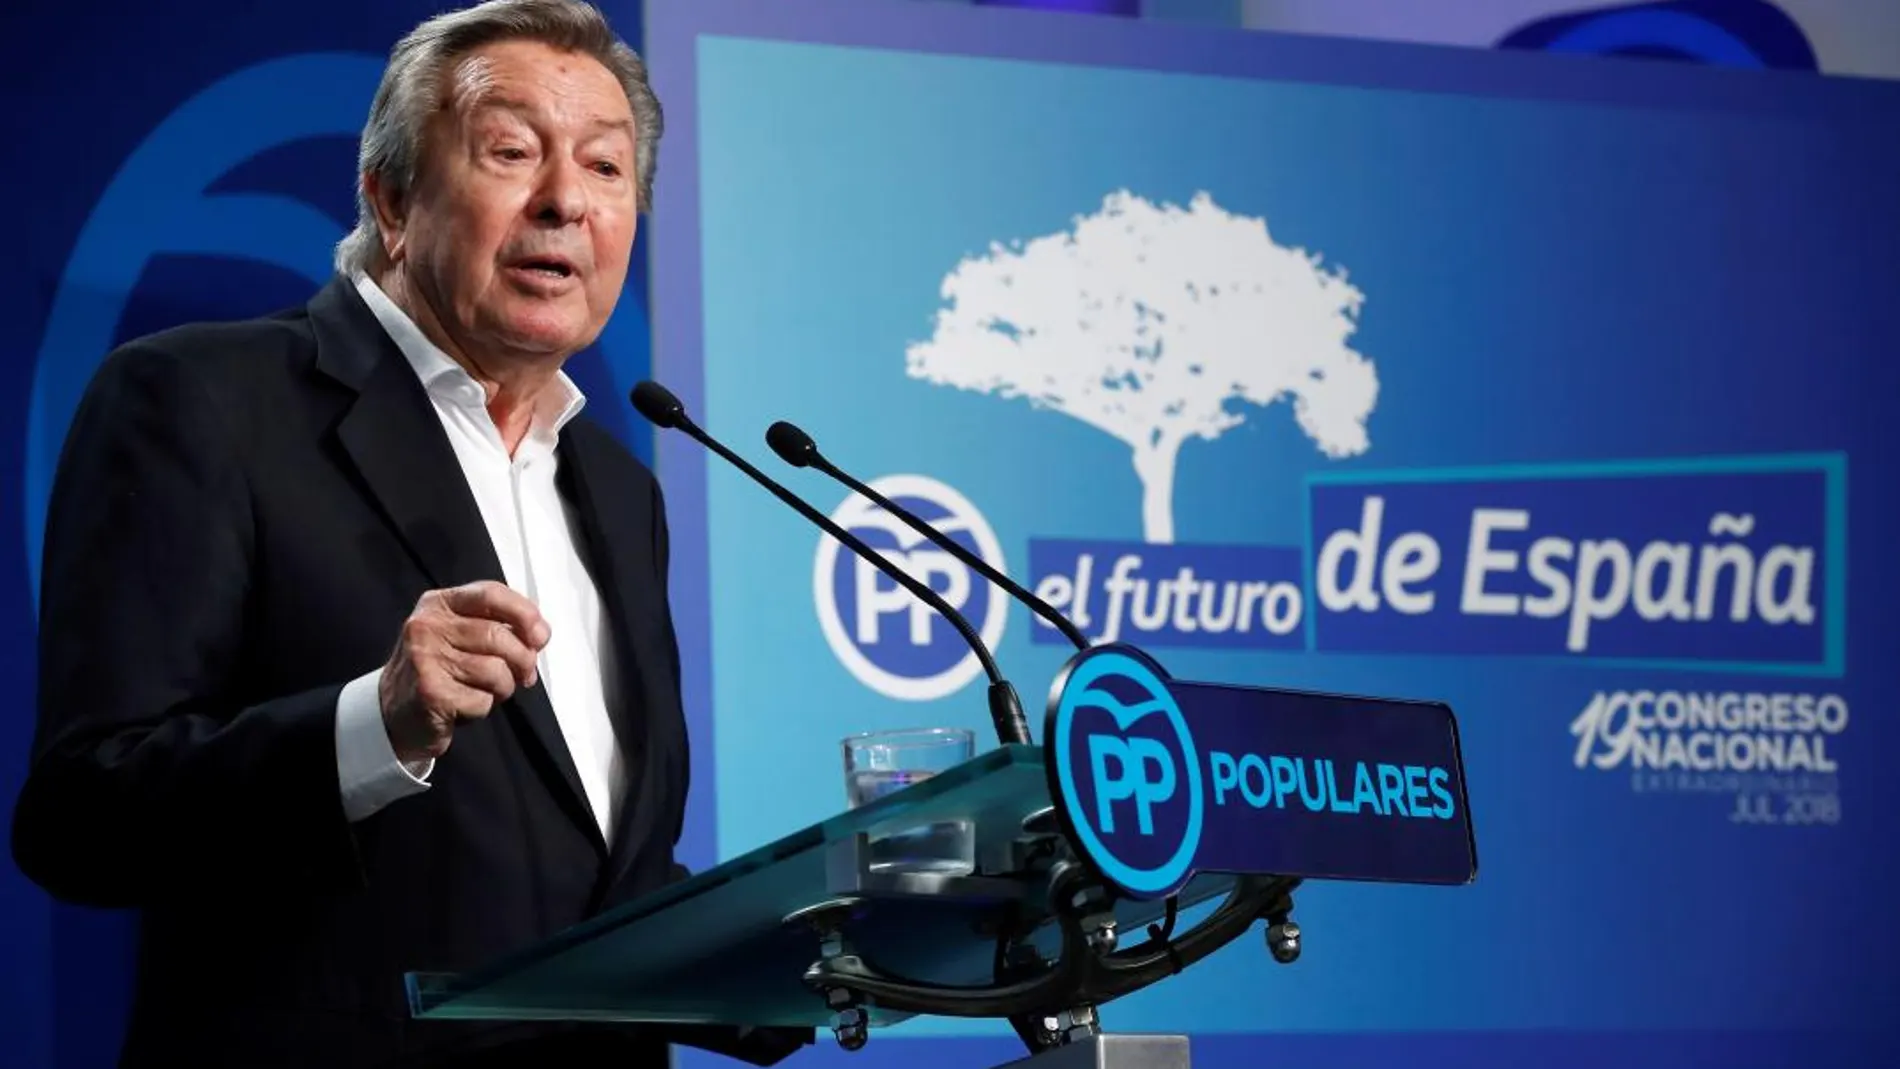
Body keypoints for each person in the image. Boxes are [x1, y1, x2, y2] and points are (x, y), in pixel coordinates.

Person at [10, 1, 809, 1066]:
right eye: (511, 151)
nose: (565, 200)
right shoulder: (202, 402)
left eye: (607, 168)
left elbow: (586, 877)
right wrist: (371, 728)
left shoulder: (619, 489)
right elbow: (84, 814)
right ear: (390, 199)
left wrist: (828, 938)